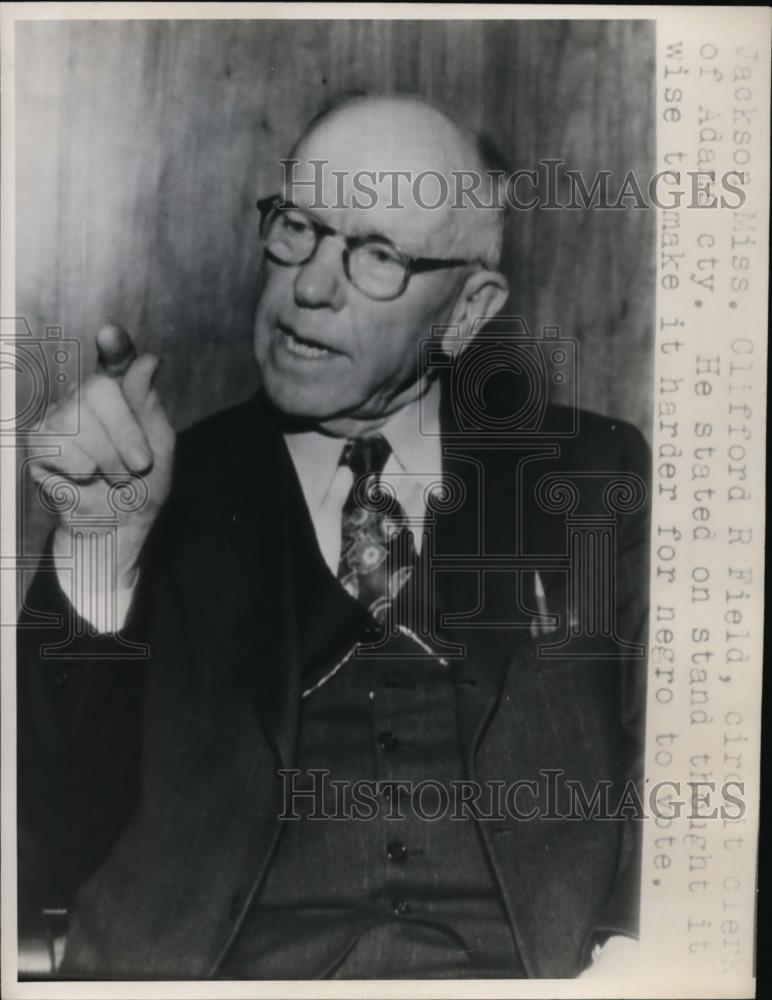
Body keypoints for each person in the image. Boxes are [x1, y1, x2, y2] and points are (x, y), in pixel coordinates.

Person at [17, 95, 650, 980]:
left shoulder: (592, 477)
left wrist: (643, 970)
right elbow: (38, 840)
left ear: (467, 313)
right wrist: (98, 554)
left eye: (378, 255)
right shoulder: (158, 489)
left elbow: (693, 776)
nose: (309, 285)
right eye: (297, 228)